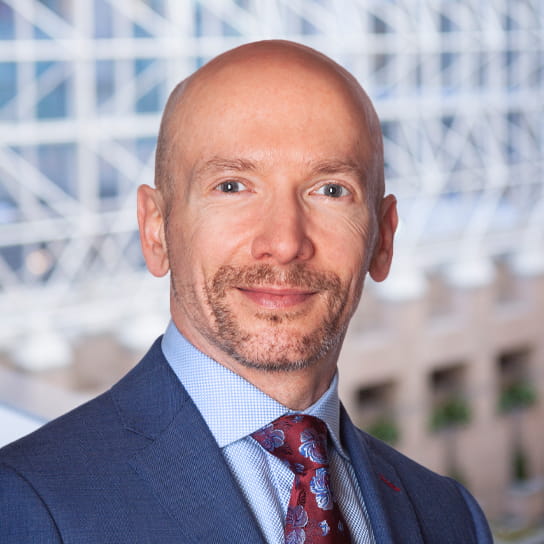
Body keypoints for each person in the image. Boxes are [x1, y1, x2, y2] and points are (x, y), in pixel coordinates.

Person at [0, 40, 492, 543]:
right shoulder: (24, 504)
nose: (284, 242)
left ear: (383, 239)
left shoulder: (451, 517)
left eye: (330, 190)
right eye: (232, 186)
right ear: (155, 230)